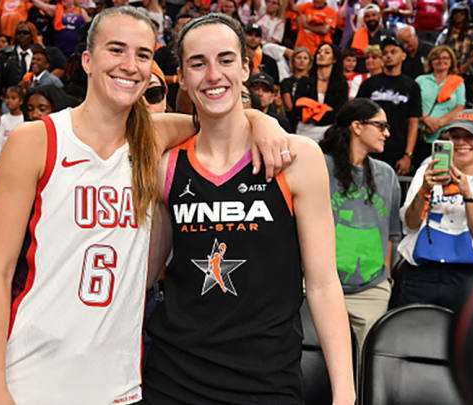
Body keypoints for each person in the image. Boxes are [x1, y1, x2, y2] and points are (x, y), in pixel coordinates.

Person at [0, 7, 292, 405]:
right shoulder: (37, 140)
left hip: (118, 383)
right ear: (87, 60)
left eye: (142, 54)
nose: (130, 65)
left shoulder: (152, 138)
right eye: (116, 50)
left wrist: (263, 120)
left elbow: (222, 120)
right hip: (32, 371)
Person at [143, 13, 355, 404]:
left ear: (246, 67)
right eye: (197, 63)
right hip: (174, 378)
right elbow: (146, 276)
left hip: (267, 380)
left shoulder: (298, 157)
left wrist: (345, 393)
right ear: (183, 78)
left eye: (225, 60)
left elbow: (324, 285)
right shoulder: (166, 165)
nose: (212, 75)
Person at [396, 110, 473, 310]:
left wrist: (468, 194)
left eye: (470, 136)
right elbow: (410, 223)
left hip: (469, 277)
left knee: (463, 341)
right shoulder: (425, 173)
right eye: (455, 136)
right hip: (421, 275)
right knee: (413, 337)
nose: (461, 142)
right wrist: (424, 191)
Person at [319, 98, 401, 353]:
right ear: (356, 126)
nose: (387, 133)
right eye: (381, 126)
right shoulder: (319, 165)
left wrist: (385, 277)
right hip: (319, 286)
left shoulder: (386, 174)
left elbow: (391, 231)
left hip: (370, 290)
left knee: (367, 369)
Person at [357, 37, 422, 175]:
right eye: (385, 53)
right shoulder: (369, 84)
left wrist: (408, 155)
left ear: (403, 56)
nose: (388, 56)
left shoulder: (412, 86)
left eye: (393, 52)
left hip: (398, 149)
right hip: (369, 148)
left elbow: (414, 122)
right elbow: (357, 118)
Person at [293, 42, 348, 141]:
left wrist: (311, 110)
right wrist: (323, 110)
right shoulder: (305, 81)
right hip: (304, 130)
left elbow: (339, 112)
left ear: (334, 59)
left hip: (330, 131)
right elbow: (297, 108)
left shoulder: (341, 84)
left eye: (327, 52)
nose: (321, 54)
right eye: (319, 52)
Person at [416, 45, 465, 151]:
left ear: (451, 61)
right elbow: (413, 104)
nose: (441, 61)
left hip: (445, 135)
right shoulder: (421, 80)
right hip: (422, 132)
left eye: (445, 58)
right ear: (431, 61)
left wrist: (439, 123)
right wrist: (427, 120)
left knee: (441, 165)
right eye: (436, 58)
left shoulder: (457, 81)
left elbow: (459, 108)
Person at [436, 3, 473, 103]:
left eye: (461, 13)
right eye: (456, 13)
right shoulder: (447, 32)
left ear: (466, 15)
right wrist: (452, 68)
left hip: (468, 71)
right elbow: (438, 50)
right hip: (449, 71)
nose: (458, 16)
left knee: (467, 98)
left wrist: (464, 67)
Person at [348, 4, 393, 72]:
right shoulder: (356, 35)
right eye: (367, 16)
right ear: (364, 19)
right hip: (361, 74)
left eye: (374, 15)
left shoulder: (389, 34)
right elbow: (347, 54)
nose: (371, 18)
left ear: (379, 16)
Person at [281, 46, 311, 123]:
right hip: (292, 119)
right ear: (293, 61)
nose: (302, 60)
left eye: (305, 58)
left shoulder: (314, 81)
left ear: (309, 62)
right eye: (299, 57)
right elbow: (289, 107)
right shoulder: (285, 82)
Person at [0, 86, 25, 156]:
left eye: (13, 98)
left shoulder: (24, 119)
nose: (9, 101)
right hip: (4, 155)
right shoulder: (3, 119)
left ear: (20, 101)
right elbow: (0, 140)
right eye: (7, 98)